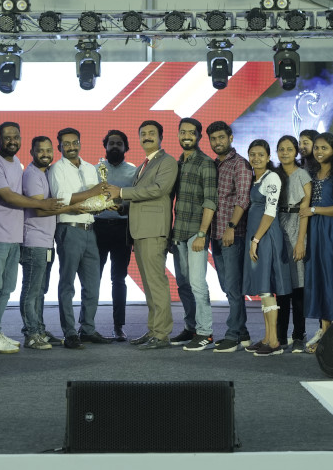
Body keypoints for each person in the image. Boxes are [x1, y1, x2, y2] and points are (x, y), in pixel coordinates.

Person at [0, 122, 61, 352]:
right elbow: (8, 197)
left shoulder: (16, 162)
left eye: (16, 136)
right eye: (7, 137)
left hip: (16, 237)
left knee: (7, 289)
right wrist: (41, 204)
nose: (12, 141)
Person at [104, 121, 178, 350]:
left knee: (157, 284)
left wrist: (121, 192)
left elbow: (158, 190)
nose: (147, 137)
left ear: (161, 137)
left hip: (153, 231)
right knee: (149, 285)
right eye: (143, 134)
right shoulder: (144, 165)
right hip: (139, 231)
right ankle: (154, 330)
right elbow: (140, 198)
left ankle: (162, 334)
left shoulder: (167, 162)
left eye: (151, 133)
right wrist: (122, 206)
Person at [48, 128, 112, 348]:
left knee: (92, 285)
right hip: (69, 229)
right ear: (59, 146)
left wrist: (102, 203)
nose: (71, 147)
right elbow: (61, 199)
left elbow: (95, 200)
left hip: (90, 229)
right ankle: (70, 333)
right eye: (66, 144)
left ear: (80, 143)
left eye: (74, 142)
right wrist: (93, 192)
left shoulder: (91, 168)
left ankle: (88, 329)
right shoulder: (56, 169)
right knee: (67, 284)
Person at [20, 136, 83, 350]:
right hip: (34, 242)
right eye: (41, 150)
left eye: (48, 150)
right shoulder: (32, 175)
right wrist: (71, 208)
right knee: (31, 291)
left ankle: (39, 330)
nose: (45, 154)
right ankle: (31, 334)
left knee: (40, 290)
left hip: (47, 242)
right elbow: (39, 209)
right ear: (32, 152)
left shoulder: (45, 173)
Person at [168, 118, 217, 351]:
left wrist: (202, 234)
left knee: (198, 285)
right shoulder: (178, 163)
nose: (186, 135)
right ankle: (191, 327)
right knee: (183, 285)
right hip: (179, 233)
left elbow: (210, 201)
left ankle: (205, 333)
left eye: (191, 132)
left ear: (198, 136)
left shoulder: (205, 163)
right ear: (178, 134)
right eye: (183, 132)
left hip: (196, 234)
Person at [301, 132, 333, 352]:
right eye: (316, 147)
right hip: (315, 232)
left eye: (324, 148)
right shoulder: (312, 173)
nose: (319, 151)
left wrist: (314, 210)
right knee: (319, 279)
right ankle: (324, 331)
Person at [206, 121, 253, 353]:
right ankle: (243, 333)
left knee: (233, 288)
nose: (218, 142)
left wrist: (231, 227)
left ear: (231, 138)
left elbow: (243, 198)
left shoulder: (240, 164)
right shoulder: (214, 165)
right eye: (213, 139)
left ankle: (233, 335)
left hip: (232, 234)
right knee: (227, 286)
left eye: (221, 137)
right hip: (215, 234)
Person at [243, 140, 292, 357]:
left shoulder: (272, 177)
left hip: (266, 237)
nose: (256, 158)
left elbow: (270, 212)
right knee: (264, 289)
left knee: (267, 288)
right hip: (257, 236)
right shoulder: (256, 178)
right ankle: (266, 337)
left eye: (261, 154)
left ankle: (274, 342)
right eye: (252, 154)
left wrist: (256, 240)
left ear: (268, 157)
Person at [94, 130, 137, 341]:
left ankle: (118, 326)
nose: (114, 147)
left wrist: (123, 207)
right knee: (93, 278)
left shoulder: (134, 172)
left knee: (119, 279)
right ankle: (87, 326)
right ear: (105, 146)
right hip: (97, 228)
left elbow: (137, 201)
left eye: (119, 144)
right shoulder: (95, 170)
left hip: (122, 229)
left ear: (125, 148)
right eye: (111, 143)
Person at [274, 136, 309, 351]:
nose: (285, 153)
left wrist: (300, 242)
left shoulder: (302, 174)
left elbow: (305, 209)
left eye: (289, 149)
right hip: (278, 226)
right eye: (281, 149)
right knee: (281, 288)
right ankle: (279, 336)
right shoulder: (274, 174)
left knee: (298, 287)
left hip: (297, 226)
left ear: (296, 151)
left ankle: (298, 335)